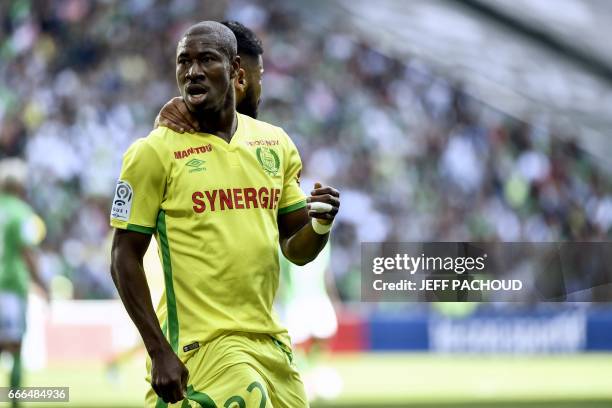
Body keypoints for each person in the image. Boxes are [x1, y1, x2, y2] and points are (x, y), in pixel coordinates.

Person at [110, 21, 340, 407]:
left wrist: (320, 223)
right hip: (203, 346)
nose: (193, 71)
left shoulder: (275, 144)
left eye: (206, 60)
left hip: (270, 342)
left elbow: (296, 249)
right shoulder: (153, 152)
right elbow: (123, 256)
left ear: (236, 73)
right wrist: (158, 350)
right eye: (184, 61)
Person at [0, 158, 47, 408]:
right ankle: (15, 402)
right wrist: (42, 283)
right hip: (10, 287)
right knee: (15, 347)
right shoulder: (21, 212)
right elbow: (28, 252)